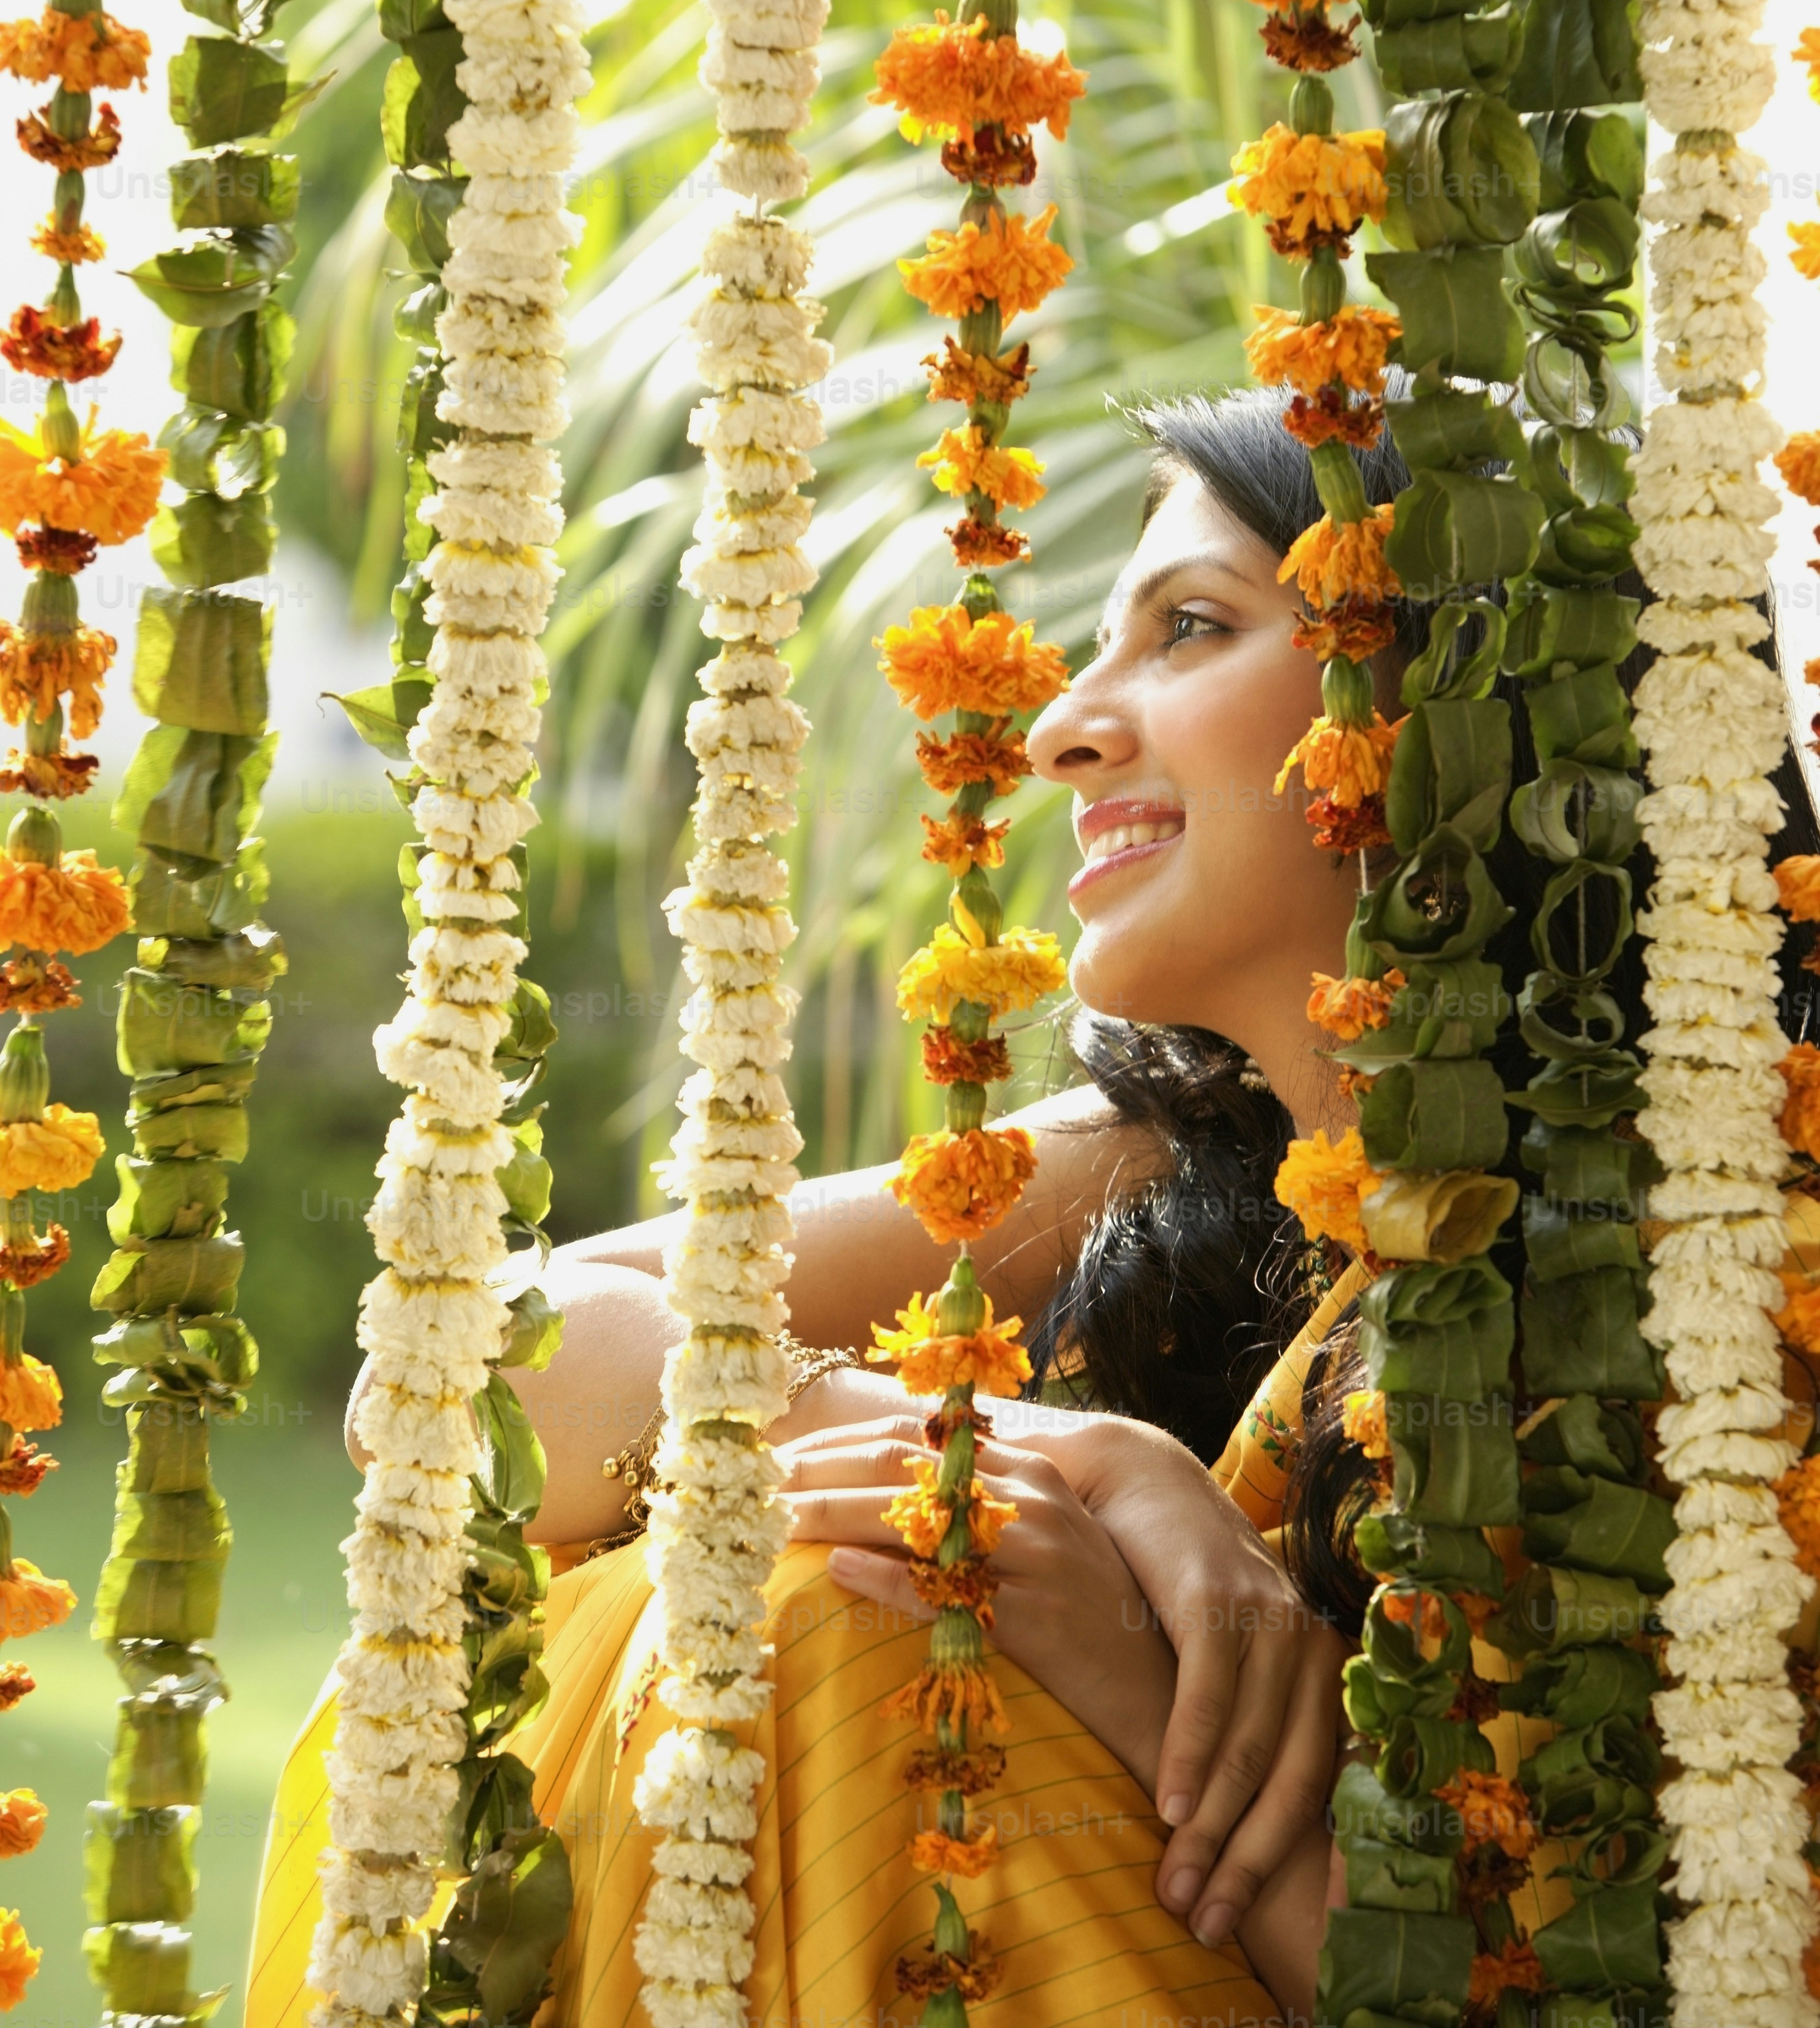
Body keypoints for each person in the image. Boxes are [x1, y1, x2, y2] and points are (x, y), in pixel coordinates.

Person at [246, 384, 1820, 2028]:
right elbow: (449, 1363)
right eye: (1096, 641)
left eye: (1190, 629)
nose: (1065, 722)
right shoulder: (1178, 1160)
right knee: (823, 1567)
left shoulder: (1718, 1286)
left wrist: (1133, 1680)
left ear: (1466, 711)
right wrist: (1050, 1459)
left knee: (853, 1640)